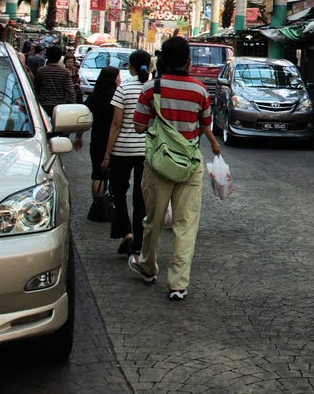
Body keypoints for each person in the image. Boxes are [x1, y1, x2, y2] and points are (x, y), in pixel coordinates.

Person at [129, 35, 221, 300]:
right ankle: (178, 284)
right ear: (188, 61)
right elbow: (204, 124)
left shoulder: (150, 89)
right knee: (186, 224)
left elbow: (138, 126)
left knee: (153, 221)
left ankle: (147, 266)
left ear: (162, 60)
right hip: (190, 165)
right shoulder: (200, 91)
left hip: (158, 164)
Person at [103, 50, 152, 257]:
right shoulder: (153, 88)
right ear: (149, 66)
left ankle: (126, 234)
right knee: (141, 198)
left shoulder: (123, 87)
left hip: (123, 149)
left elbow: (116, 123)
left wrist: (107, 154)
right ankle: (139, 243)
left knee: (119, 193)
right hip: (145, 150)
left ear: (129, 66)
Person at [86, 66, 121, 200]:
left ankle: (98, 204)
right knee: (114, 173)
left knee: (97, 173)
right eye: (118, 76)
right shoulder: (117, 96)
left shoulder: (95, 95)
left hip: (97, 137)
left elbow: (84, 114)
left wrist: (78, 136)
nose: (120, 79)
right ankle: (111, 202)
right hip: (115, 139)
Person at [33, 44, 75, 118]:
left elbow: (35, 89)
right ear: (60, 58)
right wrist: (73, 108)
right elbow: (70, 91)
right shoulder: (65, 72)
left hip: (43, 106)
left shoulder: (41, 71)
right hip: (60, 108)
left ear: (48, 57)